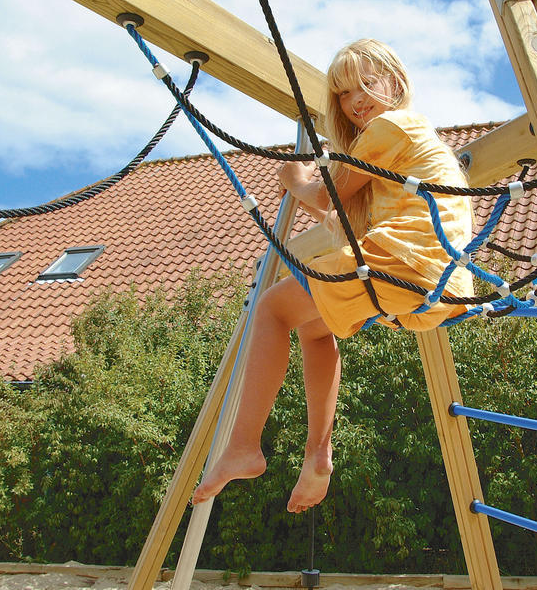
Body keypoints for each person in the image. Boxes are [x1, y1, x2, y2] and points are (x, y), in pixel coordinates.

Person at [191, 39, 473, 513]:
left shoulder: (392, 124)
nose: (357, 98)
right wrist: (312, 188)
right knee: (314, 330)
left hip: (405, 258)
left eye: (367, 81)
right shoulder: (394, 156)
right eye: (344, 92)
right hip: (434, 285)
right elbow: (347, 207)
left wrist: (298, 182)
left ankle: (243, 445)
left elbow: (334, 196)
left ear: (396, 80)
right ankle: (318, 453)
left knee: (272, 309)